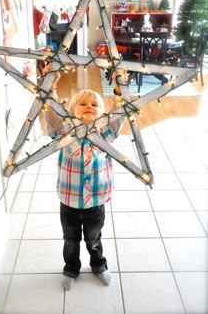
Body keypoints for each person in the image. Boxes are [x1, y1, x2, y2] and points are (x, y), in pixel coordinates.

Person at [44, 69, 128, 291]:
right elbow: (52, 119)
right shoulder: (65, 132)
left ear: (102, 113)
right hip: (69, 203)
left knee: (94, 239)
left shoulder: (105, 133)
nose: (89, 106)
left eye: (94, 104)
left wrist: (120, 87)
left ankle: (98, 264)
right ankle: (71, 267)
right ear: (71, 111)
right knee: (70, 240)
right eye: (82, 104)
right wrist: (51, 88)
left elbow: (120, 115)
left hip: (95, 203)